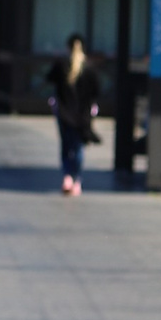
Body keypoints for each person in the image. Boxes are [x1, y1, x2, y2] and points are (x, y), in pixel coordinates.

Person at [46, 32, 100, 197]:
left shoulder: (61, 65)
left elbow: (49, 78)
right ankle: (76, 180)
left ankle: (67, 177)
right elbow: (96, 91)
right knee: (78, 147)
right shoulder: (89, 68)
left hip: (64, 113)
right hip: (82, 115)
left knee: (66, 145)